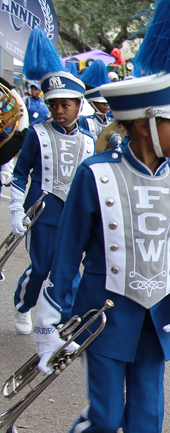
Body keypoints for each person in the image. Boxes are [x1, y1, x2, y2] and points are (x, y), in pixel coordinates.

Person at [30, 0, 170, 433]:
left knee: (147, 426)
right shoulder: (95, 173)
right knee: (106, 416)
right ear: (148, 124)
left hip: (156, 323)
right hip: (101, 314)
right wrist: (53, 318)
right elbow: (66, 252)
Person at [10, 30, 94, 336]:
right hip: (43, 211)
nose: (58, 110)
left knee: (69, 271)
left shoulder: (89, 140)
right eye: (54, 104)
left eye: (65, 105)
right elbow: (20, 174)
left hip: (74, 217)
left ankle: (62, 321)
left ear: (78, 105)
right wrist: (16, 208)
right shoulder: (36, 133)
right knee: (42, 268)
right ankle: (23, 305)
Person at [78, 60, 112, 140]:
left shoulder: (112, 121)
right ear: (91, 103)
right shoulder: (84, 121)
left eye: (107, 102)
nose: (106, 104)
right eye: (101, 102)